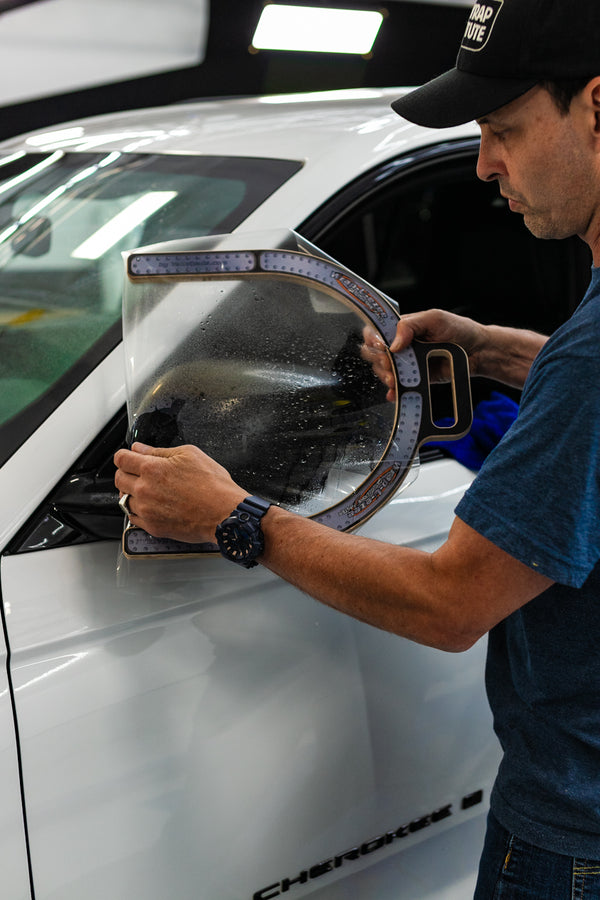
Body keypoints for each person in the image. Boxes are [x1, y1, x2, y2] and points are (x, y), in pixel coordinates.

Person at [114, 0, 600, 895]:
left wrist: (232, 514)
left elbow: (451, 604)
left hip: (572, 844)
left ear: (598, 106)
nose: (486, 164)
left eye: (503, 129)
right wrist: (493, 347)